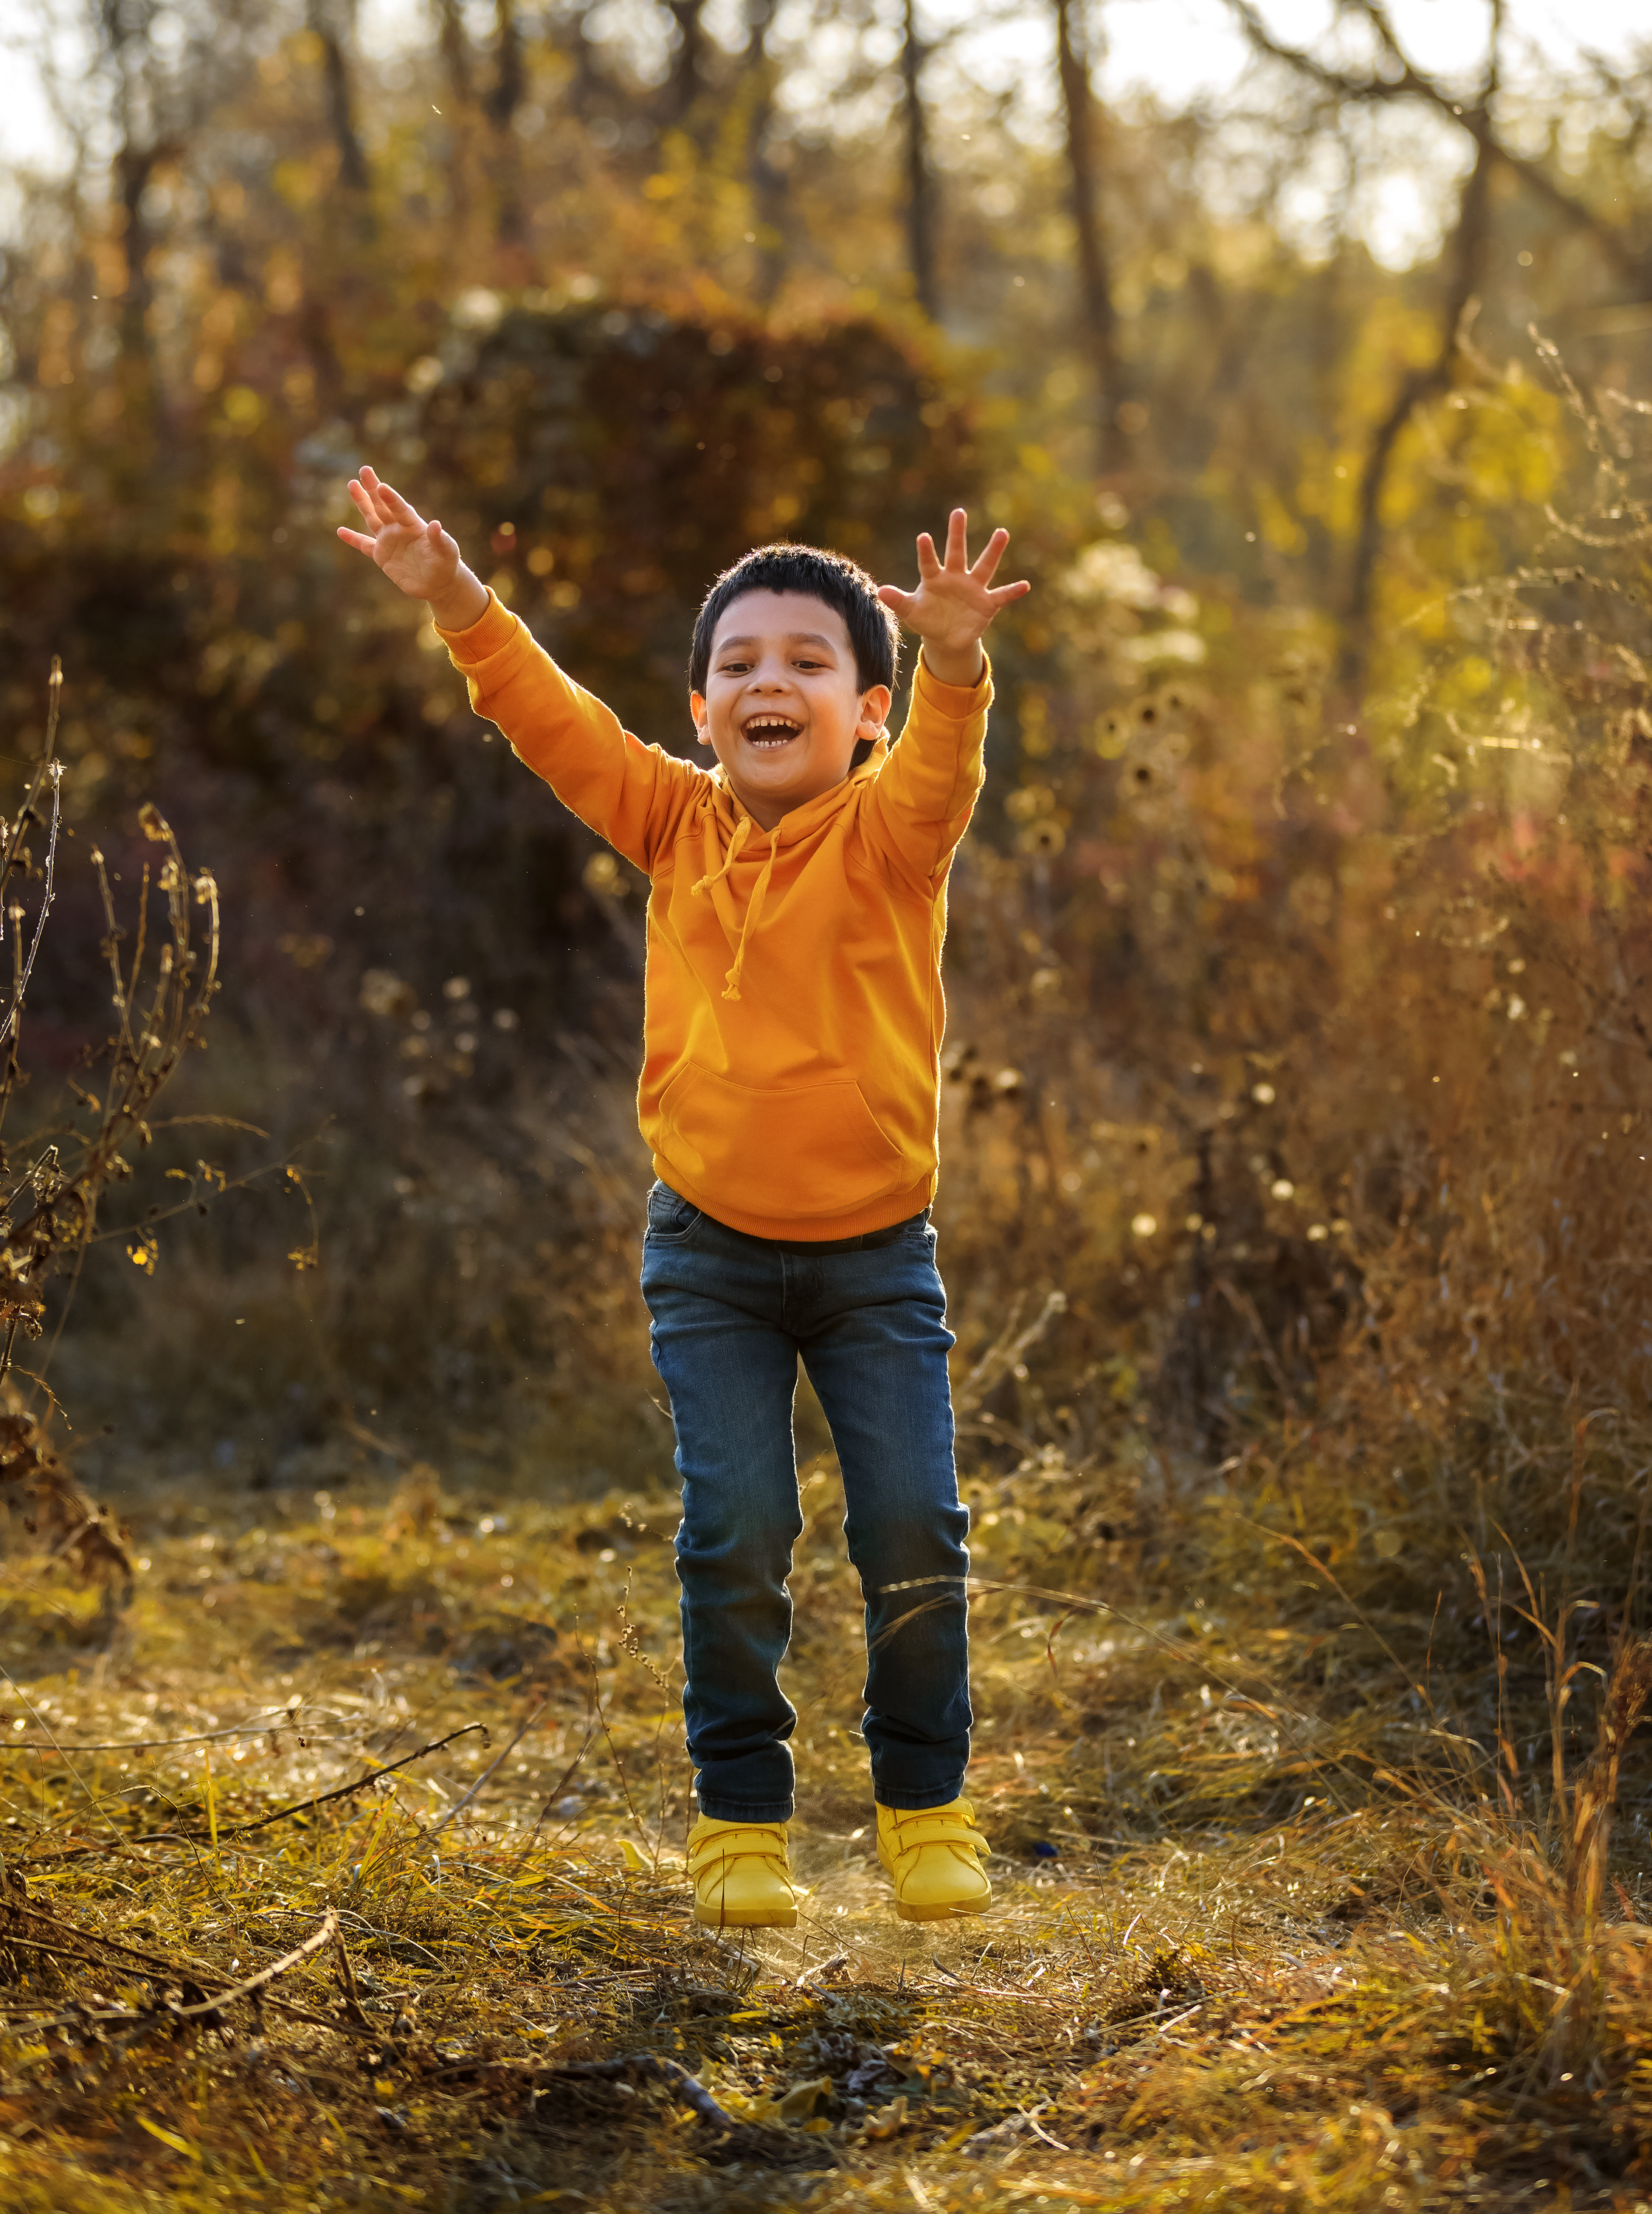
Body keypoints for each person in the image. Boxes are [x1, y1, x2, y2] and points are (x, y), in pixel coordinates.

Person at [339, 466, 1029, 1928]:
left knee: (913, 1524)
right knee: (738, 1531)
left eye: (808, 663)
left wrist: (958, 659)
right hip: (709, 1256)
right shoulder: (671, 819)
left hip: (875, 1262)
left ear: (868, 712)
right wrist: (457, 599)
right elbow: (552, 720)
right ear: (703, 710)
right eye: (740, 665)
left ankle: (924, 1803)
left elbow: (947, 760)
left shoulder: (892, 836)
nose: (769, 682)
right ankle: (740, 1820)